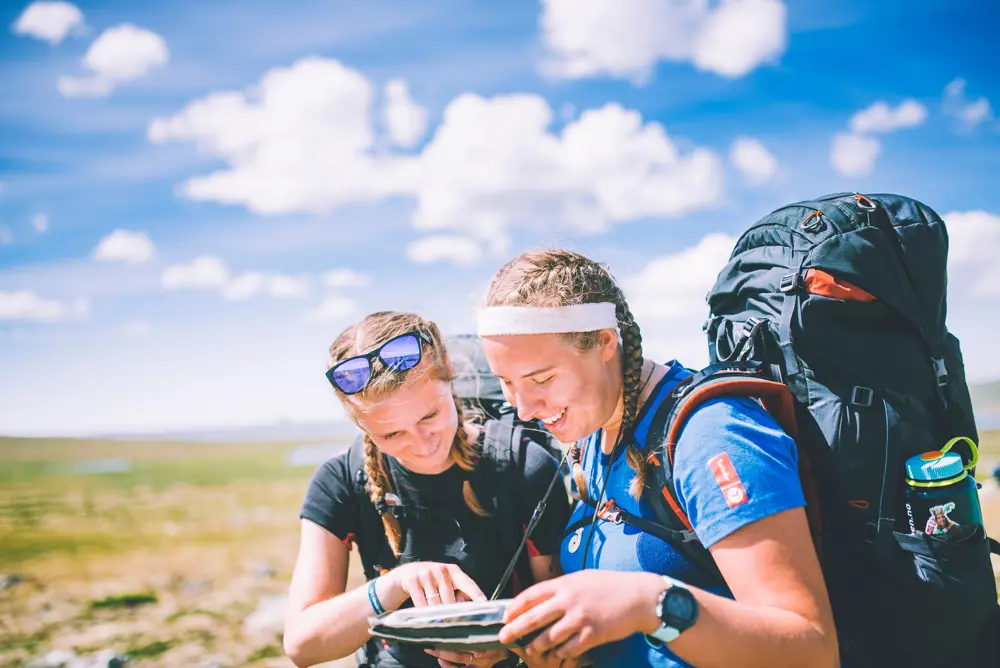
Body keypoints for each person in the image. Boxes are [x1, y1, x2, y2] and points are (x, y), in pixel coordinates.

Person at [475, 250, 840, 668]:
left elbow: (810, 650)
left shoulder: (711, 434)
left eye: (542, 379)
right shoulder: (594, 431)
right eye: (505, 382)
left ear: (604, 342)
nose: (522, 408)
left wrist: (651, 604)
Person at [283, 311, 572, 668]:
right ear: (360, 424)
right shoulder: (340, 480)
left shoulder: (524, 466)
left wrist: (509, 649)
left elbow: (563, 631)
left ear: (449, 373)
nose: (422, 446)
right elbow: (302, 646)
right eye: (391, 434)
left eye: (430, 416)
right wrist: (394, 585)